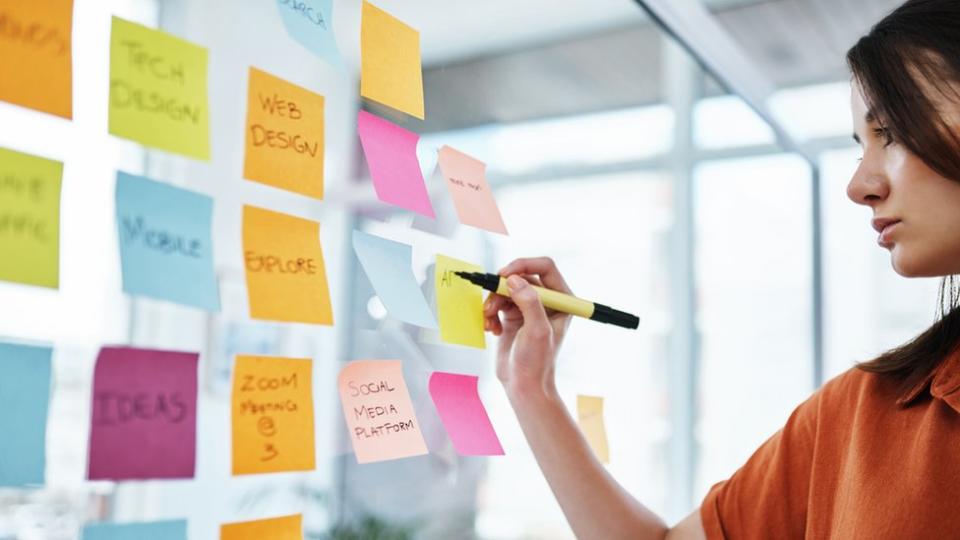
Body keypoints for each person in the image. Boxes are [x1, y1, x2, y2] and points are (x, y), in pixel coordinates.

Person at [482, 1, 960, 538]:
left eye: (891, 133)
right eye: (859, 146)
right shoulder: (857, 417)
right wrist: (531, 387)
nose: (858, 186)